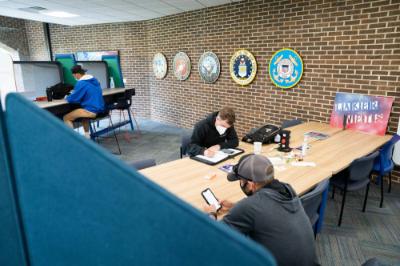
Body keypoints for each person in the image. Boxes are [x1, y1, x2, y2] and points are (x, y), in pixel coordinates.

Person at [203, 154, 318, 266]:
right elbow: (265, 208)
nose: (240, 184)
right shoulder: (287, 189)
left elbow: (213, 236)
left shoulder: (250, 206)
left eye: (241, 181)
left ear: (251, 184)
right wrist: (234, 207)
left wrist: (211, 213)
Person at [63, 65, 105, 138]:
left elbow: (73, 99)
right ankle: (87, 136)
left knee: (66, 118)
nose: (74, 77)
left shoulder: (81, 83)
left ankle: (74, 139)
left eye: (74, 76)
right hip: (99, 108)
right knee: (84, 117)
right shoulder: (94, 80)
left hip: (90, 110)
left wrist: (67, 97)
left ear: (77, 74)